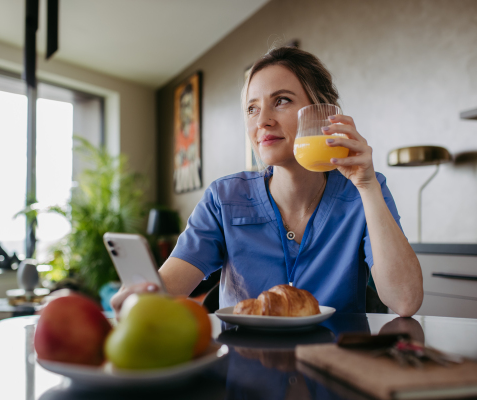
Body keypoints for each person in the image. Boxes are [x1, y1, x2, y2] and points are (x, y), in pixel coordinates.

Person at [112, 47, 423, 317]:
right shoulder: (225, 197)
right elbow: (169, 287)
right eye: (252, 108)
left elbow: (405, 300)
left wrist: (367, 187)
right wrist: (140, 296)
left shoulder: (364, 189)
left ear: (320, 112)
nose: (262, 121)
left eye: (282, 100)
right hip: (244, 368)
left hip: (334, 367)